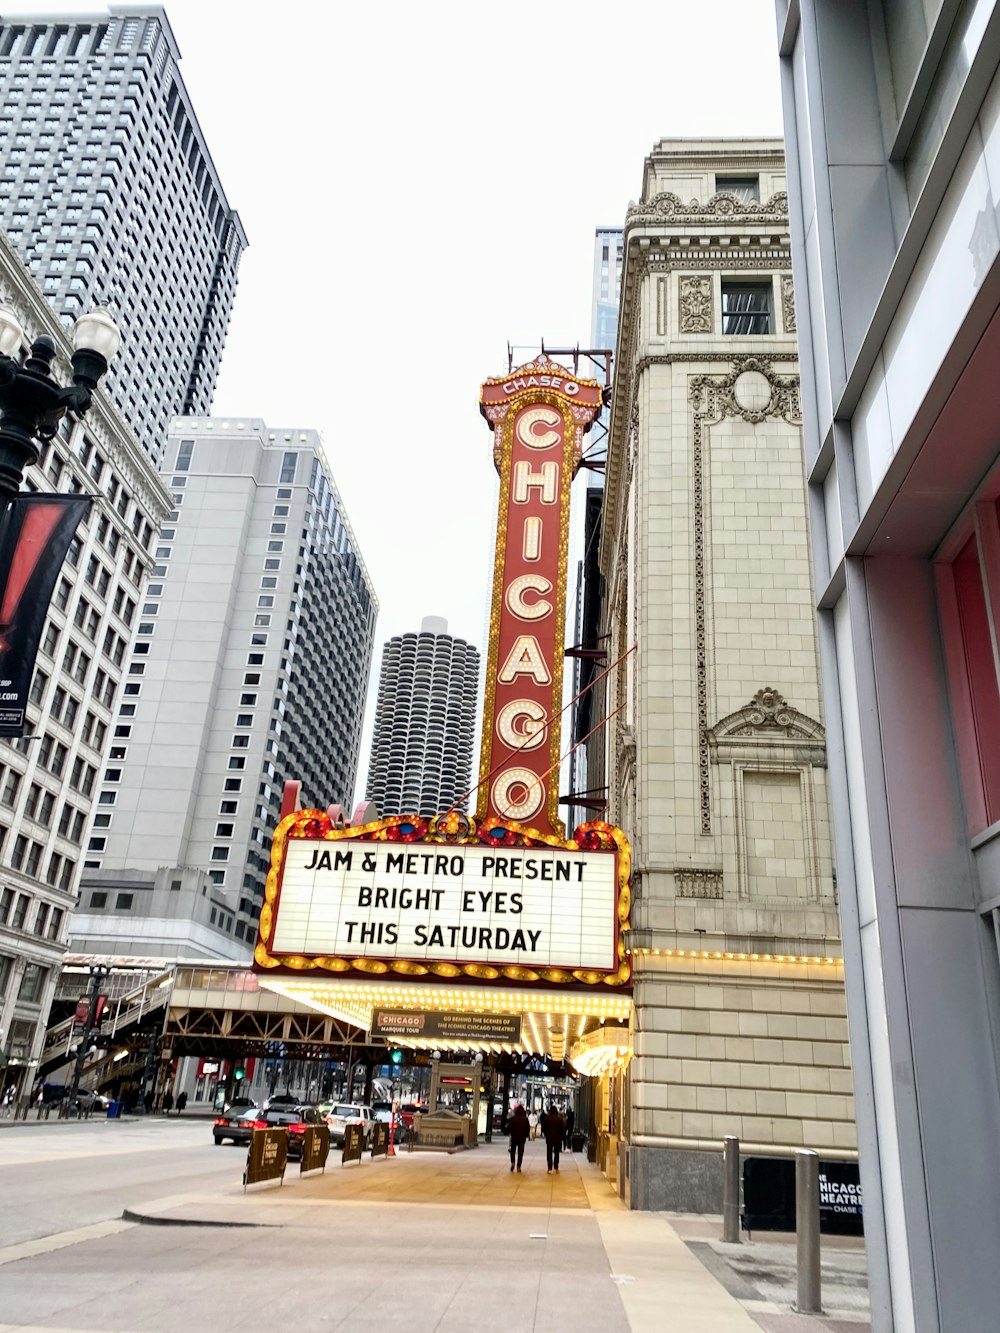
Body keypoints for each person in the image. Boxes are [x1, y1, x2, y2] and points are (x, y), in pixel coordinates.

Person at [542, 1102, 565, 1174]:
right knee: (556, 1152)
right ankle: (556, 1166)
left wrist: (546, 1134)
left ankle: (549, 1167)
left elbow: (543, 1128)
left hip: (549, 1138)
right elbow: (562, 1129)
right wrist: (561, 1137)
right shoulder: (559, 1119)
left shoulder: (547, 1118)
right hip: (557, 1139)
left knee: (549, 1153)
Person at [508, 1103, 530, 1173]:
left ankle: (512, 1162)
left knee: (513, 1151)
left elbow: (509, 1128)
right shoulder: (525, 1120)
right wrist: (526, 1135)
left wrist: (511, 1133)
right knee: (520, 1153)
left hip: (514, 1137)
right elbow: (527, 1129)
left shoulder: (512, 1119)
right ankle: (518, 1166)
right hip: (522, 1138)